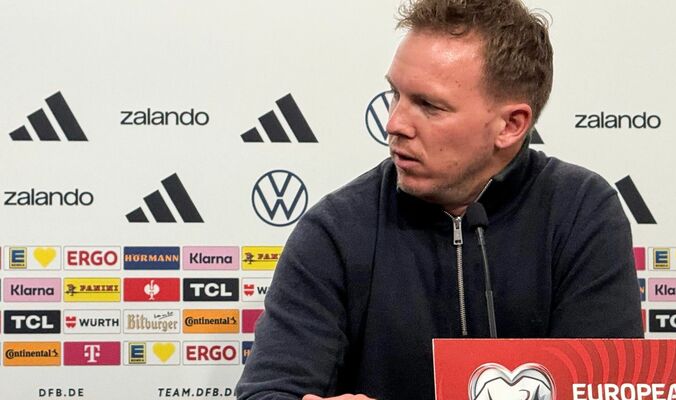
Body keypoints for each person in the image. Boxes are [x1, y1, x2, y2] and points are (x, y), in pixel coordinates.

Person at [236, 0, 643, 399]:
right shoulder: (336, 230)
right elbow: (268, 391)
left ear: (510, 124)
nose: (394, 123)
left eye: (428, 106)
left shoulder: (582, 214)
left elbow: (603, 387)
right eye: (395, 94)